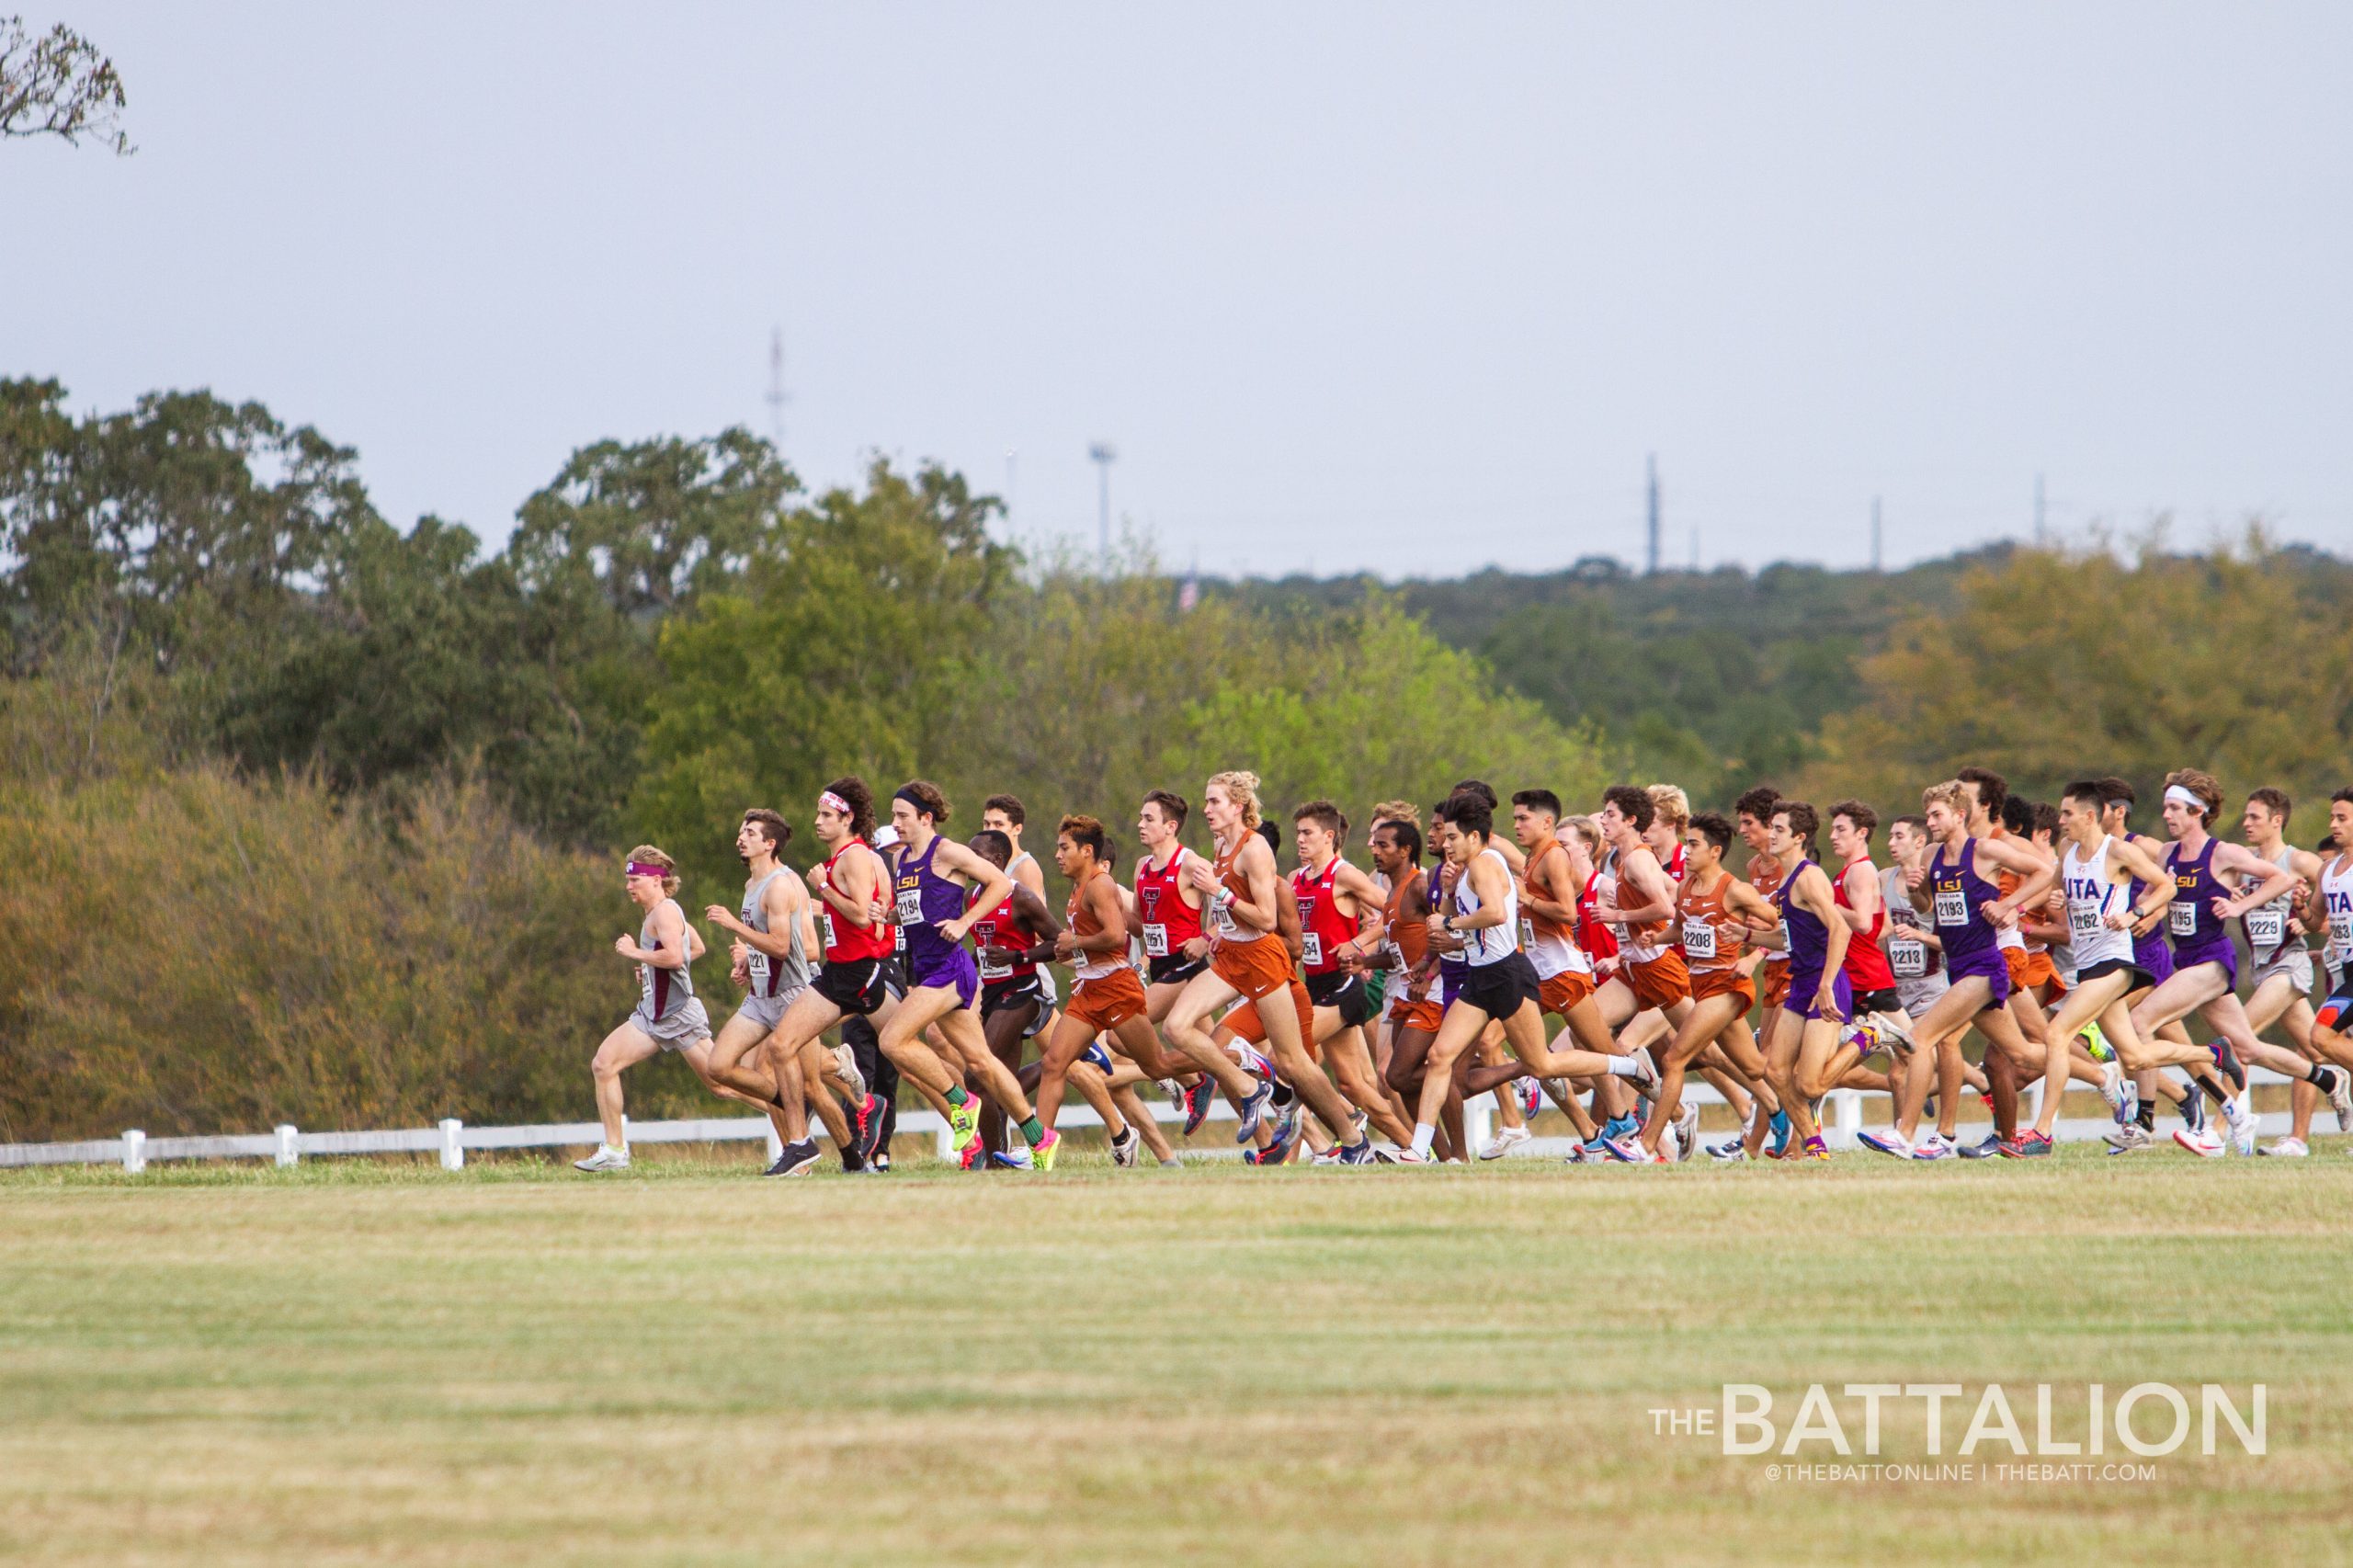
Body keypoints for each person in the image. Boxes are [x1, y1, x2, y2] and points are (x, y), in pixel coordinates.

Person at [1404, 794, 1653, 1164]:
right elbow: (1470, 926)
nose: (1446, 844)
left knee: (1543, 1065)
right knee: (1441, 1056)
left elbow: (1495, 915)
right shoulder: (1471, 869)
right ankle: (1417, 1149)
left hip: (1511, 976)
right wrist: (1451, 901)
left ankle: (1626, 1069)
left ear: (1474, 837)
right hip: (1482, 976)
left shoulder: (1487, 865)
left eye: (1453, 837)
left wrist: (1452, 923)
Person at [758, 778, 984, 1169]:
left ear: (847, 819)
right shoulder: (848, 859)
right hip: (840, 975)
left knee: (907, 1061)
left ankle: (969, 1132)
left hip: (869, 974)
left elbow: (863, 916)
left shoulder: (855, 857)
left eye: (826, 815)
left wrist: (824, 889)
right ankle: (801, 1142)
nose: (818, 821)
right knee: (781, 1046)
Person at [2129, 769, 2348, 1154]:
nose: (2167, 815)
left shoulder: (2225, 853)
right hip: (2189, 959)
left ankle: (2151, 1121)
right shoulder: (2167, 853)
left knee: (2140, 1022)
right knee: (2249, 1049)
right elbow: (2156, 892)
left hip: (2215, 962)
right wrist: (2140, 913)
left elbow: (2278, 879)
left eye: (2175, 808)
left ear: (2198, 811)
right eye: (2165, 807)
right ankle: (2330, 1081)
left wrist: (2239, 905)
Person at [1857, 780, 2054, 1161]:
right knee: (2022, 1054)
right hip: (1957, 966)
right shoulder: (1931, 855)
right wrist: (1916, 889)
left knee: (1920, 1039)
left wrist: (2010, 904)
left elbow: (2044, 872)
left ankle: (1905, 1134)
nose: (1929, 821)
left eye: (1936, 815)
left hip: (1984, 965)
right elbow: (1927, 907)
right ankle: (2104, 1073)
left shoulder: (1985, 851)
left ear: (1959, 816)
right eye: (1927, 813)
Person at [878, 783, 1059, 1170]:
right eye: (893, 816)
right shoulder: (901, 862)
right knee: (982, 1062)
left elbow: (1003, 884)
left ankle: (961, 1102)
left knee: (892, 1040)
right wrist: (890, 915)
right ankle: (1039, 1138)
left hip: (949, 969)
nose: (895, 824)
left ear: (926, 818)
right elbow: (918, 911)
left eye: (902, 816)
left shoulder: (948, 852)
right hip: (926, 967)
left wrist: (966, 920)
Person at [702, 809, 877, 1175]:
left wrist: (733, 925)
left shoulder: (781, 885)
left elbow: (783, 947)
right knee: (719, 1066)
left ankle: (848, 1159)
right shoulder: (751, 886)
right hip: (760, 998)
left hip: (794, 996)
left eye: (749, 833)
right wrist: (748, 964)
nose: (741, 837)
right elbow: (767, 947)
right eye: (741, 831)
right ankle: (796, 1115)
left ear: (769, 844)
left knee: (813, 1086)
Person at [1612, 812, 1780, 1164]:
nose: (1686, 851)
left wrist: (1750, 945)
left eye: (1694, 844)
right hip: (1700, 985)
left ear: (1715, 851)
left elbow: (1780, 929)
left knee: (1674, 1059)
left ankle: (1645, 1146)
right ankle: (1786, 1107)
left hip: (1727, 985)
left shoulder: (1735, 889)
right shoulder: (1687, 886)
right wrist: (1656, 936)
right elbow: (1680, 930)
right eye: (1687, 843)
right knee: (1754, 1068)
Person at [1034, 814, 1193, 1167]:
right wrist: (1067, 949)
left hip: (1117, 989)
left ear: (1086, 850)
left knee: (1157, 1066)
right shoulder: (1078, 886)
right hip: (1089, 990)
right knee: (1054, 1063)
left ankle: (1231, 1063)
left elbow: (1116, 936)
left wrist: (1075, 941)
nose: (1057, 855)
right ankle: (1039, 1151)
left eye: (1064, 848)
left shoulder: (1100, 884)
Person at [1159, 774, 1290, 1148]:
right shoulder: (1219, 846)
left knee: (1296, 1064)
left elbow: (1267, 918)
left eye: (1214, 802)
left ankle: (1349, 1138)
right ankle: (1250, 1088)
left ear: (1238, 806)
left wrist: (1219, 892)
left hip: (1263, 958)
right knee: (1175, 1028)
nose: (1205, 809)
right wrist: (1214, 934)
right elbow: (1224, 909)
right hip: (1230, 956)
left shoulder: (1256, 848)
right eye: (1206, 801)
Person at [577, 847, 713, 1173]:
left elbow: (677, 957)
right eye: (628, 880)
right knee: (603, 1064)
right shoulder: (659, 912)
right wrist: (652, 969)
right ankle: (614, 1150)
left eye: (634, 879)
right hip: (653, 1016)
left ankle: (786, 1105)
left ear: (655, 880)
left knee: (722, 1083)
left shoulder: (665, 912)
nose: (629, 886)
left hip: (677, 1014)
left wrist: (637, 954)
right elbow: (694, 946)